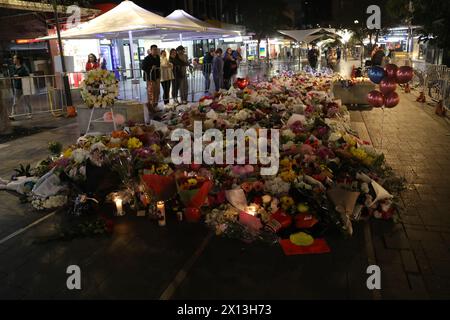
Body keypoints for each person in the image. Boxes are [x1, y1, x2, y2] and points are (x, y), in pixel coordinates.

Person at [10, 55, 31, 120]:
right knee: (15, 102)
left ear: (18, 60)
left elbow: (27, 73)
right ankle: (12, 114)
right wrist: (16, 75)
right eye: (13, 58)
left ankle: (29, 114)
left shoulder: (24, 67)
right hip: (17, 87)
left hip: (25, 86)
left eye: (14, 58)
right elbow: (12, 74)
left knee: (27, 101)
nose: (13, 59)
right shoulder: (13, 67)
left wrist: (18, 75)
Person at [141, 44, 161, 115]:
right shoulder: (147, 58)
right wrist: (151, 67)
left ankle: (155, 105)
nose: (155, 51)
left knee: (157, 91)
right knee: (151, 92)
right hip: (150, 78)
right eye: (154, 49)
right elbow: (143, 67)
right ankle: (151, 107)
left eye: (156, 49)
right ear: (151, 50)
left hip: (157, 77)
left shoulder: (158, 57)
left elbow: (159, 66)